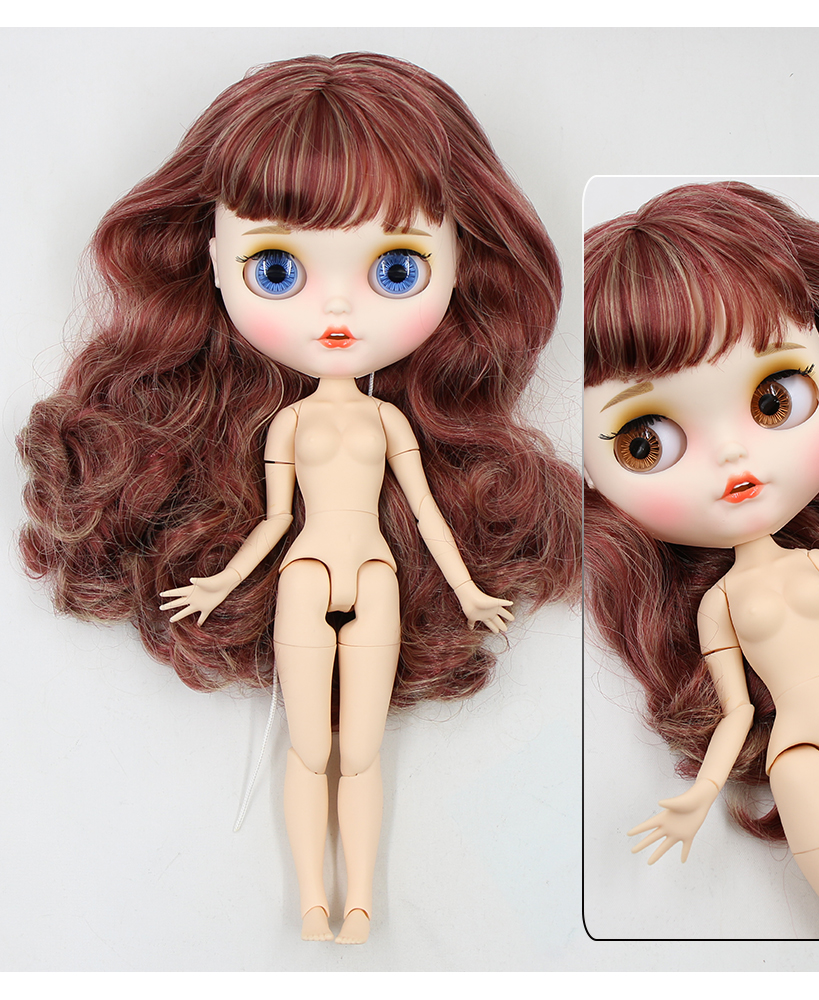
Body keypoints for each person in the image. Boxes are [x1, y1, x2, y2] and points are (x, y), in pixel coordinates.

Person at [18, 53, 579, 944]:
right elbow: (279, 521)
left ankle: (358, 902)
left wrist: (468, 588)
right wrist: (220, 581)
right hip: (308, 573)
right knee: (311, 750)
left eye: (396, 269)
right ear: (213, 261)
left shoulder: (389, 425)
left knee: (361, 754)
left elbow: (424, 512)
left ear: (461, 263)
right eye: (278, 269)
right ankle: (315, 902)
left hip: (377, 576)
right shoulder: (286, 427)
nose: (338, 309)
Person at [583, 181, 819, 938]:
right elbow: (736, 711)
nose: (734, 454)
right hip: (795, 762)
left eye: (772, 399)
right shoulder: (716, 603)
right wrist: (702, 797)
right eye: (646, 442)